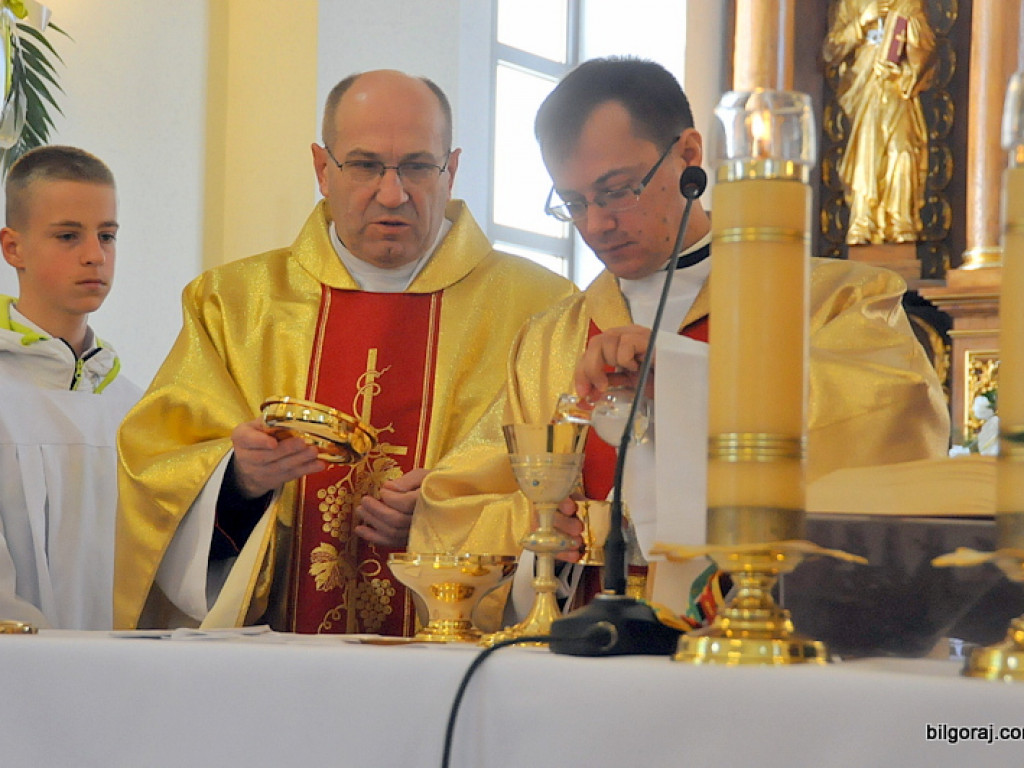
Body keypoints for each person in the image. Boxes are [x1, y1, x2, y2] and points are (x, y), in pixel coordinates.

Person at [412, 57, 950, 626]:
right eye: (573, 203)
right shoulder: (549, 340)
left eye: (617, 191)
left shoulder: (837, 300)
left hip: (758, 648)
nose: (596, 225)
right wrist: (540, 526)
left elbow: (895, 427)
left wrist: (689, 377)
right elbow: (450, 516)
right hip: (583, 657)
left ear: (689, 155)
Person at [114, 70, 575, 634]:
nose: (392, 193)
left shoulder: (542, 313)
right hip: (276, 658)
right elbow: (154, 476)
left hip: (461, 662)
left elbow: (572, 491)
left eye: (417, 166)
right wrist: (237, 481)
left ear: (451, 170)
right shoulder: (232, 305)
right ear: (321, 168)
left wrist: (450, 522)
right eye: (364, 165)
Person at [0, 145, 140, 629]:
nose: (94, 256)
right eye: (67, 236)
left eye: (107, 236)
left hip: (122, 667)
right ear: (13, 248)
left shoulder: (133, 407)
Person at [822, 0, 936, 245]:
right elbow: (831, 50)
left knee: (902, 150)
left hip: (897, 87)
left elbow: (927, 50)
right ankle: (863, 221)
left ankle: (900, 220)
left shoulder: (910, 3)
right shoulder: (851, 3)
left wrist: (909, 54)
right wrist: (862, 21)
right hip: (864, 86)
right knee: (867, 152)